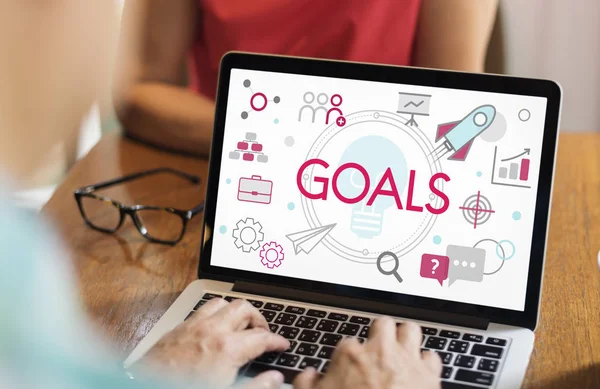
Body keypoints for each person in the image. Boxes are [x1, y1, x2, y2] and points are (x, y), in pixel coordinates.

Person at [0, 1, 442, 389]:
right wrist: (278, 142)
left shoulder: (23, 262)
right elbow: (140, 87)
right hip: (253, 207)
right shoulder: (22, 270)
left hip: (396, 244)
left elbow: (452, 98)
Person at [114, 0, 498, 156]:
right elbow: (140, 90)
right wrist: (281, 144)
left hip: (384, 182)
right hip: (225, 179)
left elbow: (455, 116)